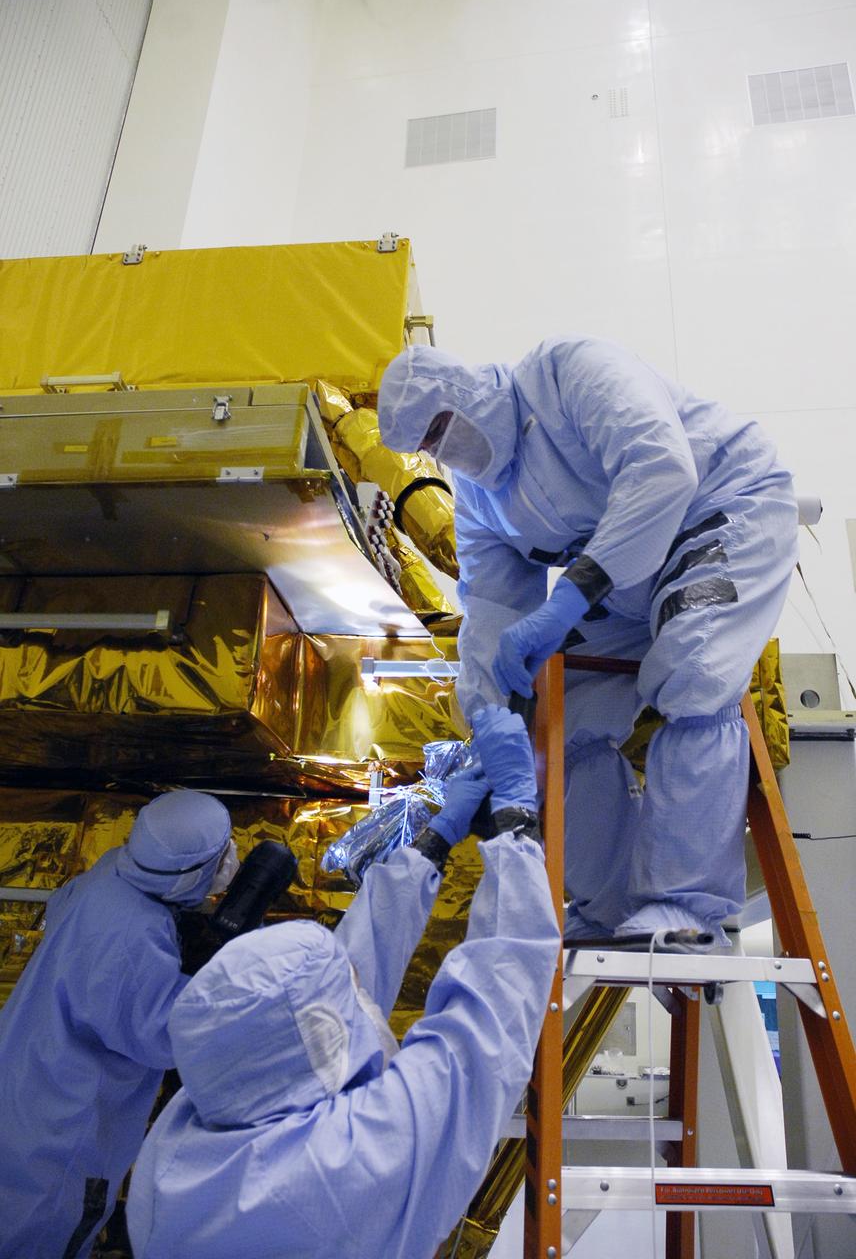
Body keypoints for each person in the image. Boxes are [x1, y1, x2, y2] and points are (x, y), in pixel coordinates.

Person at [378, 337, 799, 943]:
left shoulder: (566, 374)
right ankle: (617, 907)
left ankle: (685, 906)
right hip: (628, 584)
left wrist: (571, 597)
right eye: (428, 446)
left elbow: (662, 469)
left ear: (466, 391)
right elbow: (491, 610)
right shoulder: (478, 499)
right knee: (557, 716)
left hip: (723, 511)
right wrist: (490, 726)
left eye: (442, 427)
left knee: (693, 665)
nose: (446, 451)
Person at [126, 706, 560, 1259]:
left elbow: (336, 997)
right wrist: (517, 830)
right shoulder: (339, 1171)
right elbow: (486, 1030)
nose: (356, 991)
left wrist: (431, 847)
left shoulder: (203, 1115)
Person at [0, 789, 238, 1259]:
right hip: (63, 1132)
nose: (231, 859)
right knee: (43, 1236)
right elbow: (168, 1037)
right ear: (191, 872)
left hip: (24, 1085)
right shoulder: (137, 935)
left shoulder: (110, 871)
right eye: (223, 853)